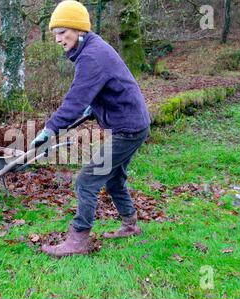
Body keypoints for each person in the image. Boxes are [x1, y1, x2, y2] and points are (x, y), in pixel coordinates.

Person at [31, 0, 151, 257]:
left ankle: (78, 240)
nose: (58, 39)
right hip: (132, 123)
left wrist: (50, 128)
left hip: (127, 129)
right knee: (115, 178)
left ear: (78, 29)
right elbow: (102, 88)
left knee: (87, 180)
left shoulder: (92, 57)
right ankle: (130, 225)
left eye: (62, 33)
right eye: (55, 34)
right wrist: (92, 108)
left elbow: (76, 98)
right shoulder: (93, 48)